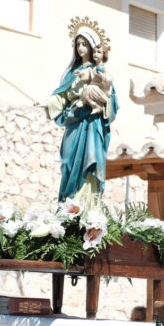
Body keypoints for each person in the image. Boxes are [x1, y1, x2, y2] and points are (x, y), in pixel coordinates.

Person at [45, 19, 118, 202]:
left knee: (90, 159)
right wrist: (50, 103)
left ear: (93, 47)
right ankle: (68, 204)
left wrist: (100, 102)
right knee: (69, 160)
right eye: (78, 44)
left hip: (91, 123)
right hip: (74, 120)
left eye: (84, 44)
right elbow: (62, 94)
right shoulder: (71, 73)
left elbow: (111, 98)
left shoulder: (98, 70)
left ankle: (86, 204)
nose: (80, 48)